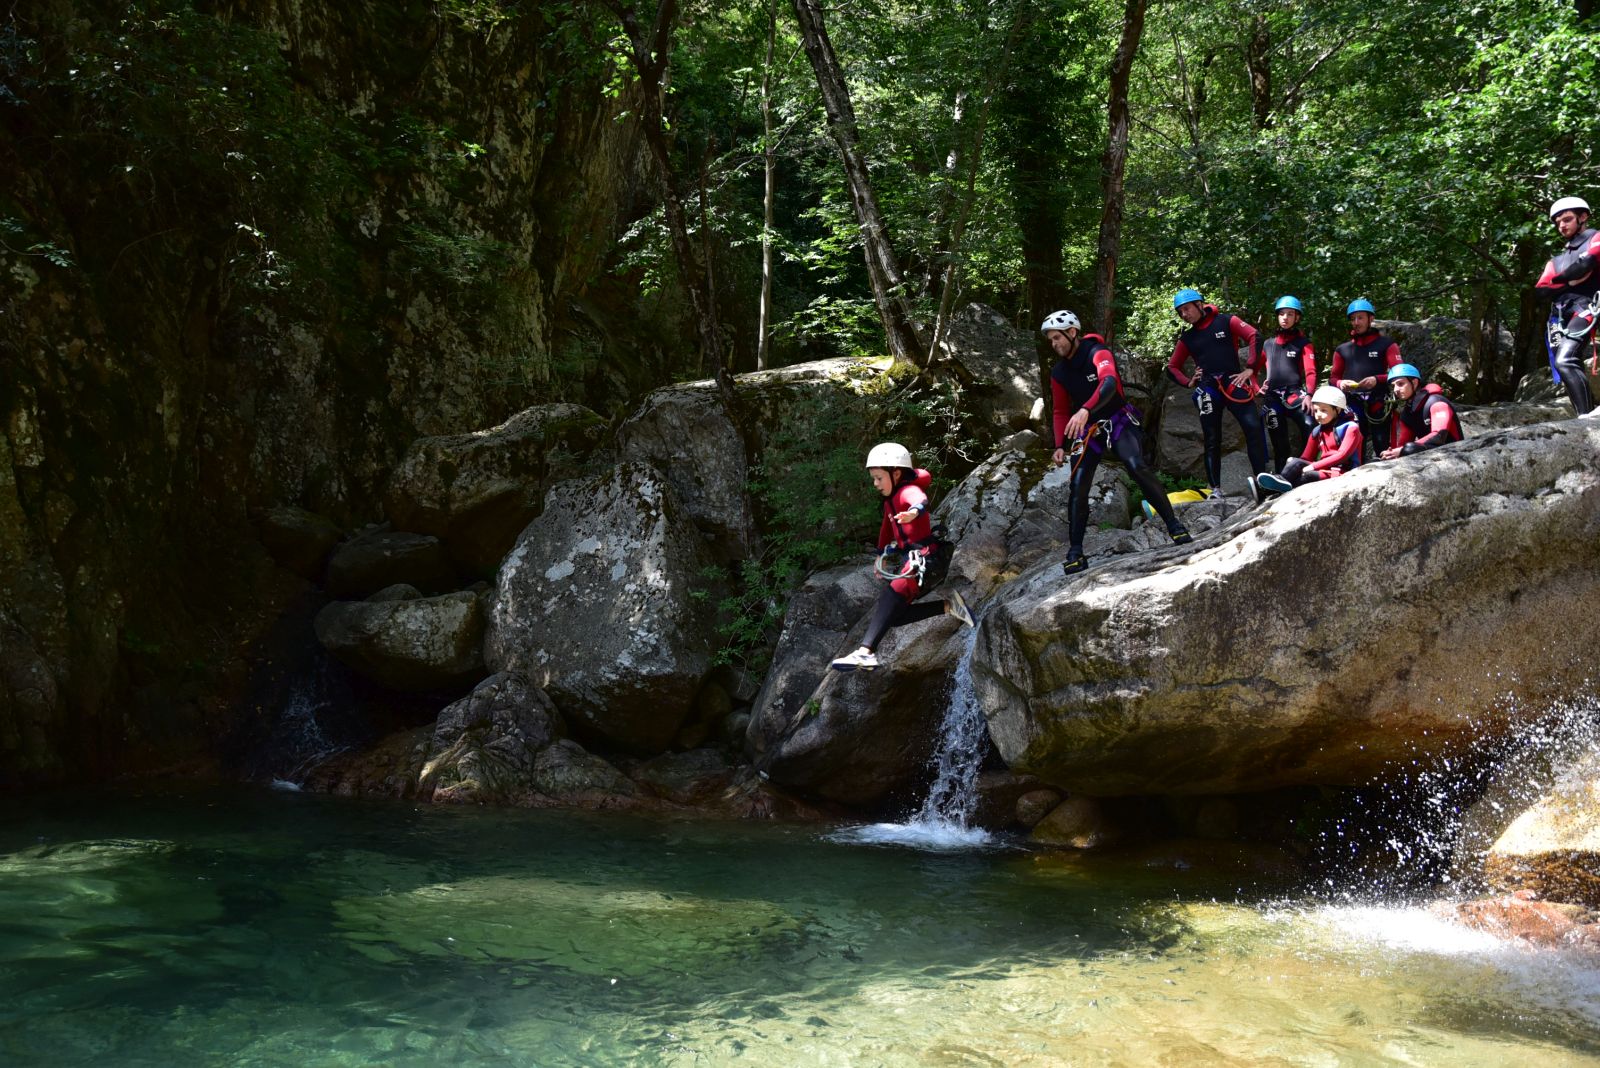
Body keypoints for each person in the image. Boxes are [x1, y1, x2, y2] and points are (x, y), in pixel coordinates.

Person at [1044, 310, 1191, 574]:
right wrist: (1059, 445)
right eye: (1051, 340)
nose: (1055, 344)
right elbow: (1059, 411)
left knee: (1137, 466)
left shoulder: (1098, 353)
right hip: (1088, 429)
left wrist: (1087, 408)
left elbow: (1109, 382)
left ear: (1072, 332)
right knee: (1078, 486)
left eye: (1057, 337)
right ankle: (1075, 551)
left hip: (1117, 419)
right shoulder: (1059, 372)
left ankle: (1174, 525)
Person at [830, 443, 974, 672]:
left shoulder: (906, 492)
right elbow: (886, 531)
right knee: (894, 616)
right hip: (916, 561)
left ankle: (865, 652)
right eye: (874, 479)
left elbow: (920, 499)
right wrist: (881, 556)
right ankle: (949, 606)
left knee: (891, 594)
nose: (875, 483)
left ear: (896, 473)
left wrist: (914, 511)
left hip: (926, 560)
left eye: (879, 478)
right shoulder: (890, 501)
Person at [1165, 288, 1271, 496]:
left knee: (1253, 428)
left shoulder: (1225, 321)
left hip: (1233, 381)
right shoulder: (1188, 337)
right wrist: (1188, 382)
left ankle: (1262, 481)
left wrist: (1250, 368)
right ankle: (1215, 489)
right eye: (1180, 312)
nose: (1184, 315)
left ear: (1199, 304)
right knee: (1212, 438)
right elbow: (1171, 367)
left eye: (1187, 309)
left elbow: (1254, 336)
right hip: (1208, 388)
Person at [1534, 195, 1600, 415]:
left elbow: (1588, 262)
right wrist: (1567, 280)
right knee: (1567, 365)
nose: (1561, 225)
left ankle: (1585, 417)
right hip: (1560, 315)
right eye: (1558, 222)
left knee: (1565, 360)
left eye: (1567, 219)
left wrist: (1557, 281)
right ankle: (1586, 414)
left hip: (1587, 306)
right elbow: (1541, 291)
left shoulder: (1596, 238)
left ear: (1583, 217)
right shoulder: (1556, 260)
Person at [1252, 386, 1363, 496]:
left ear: (1337, 410)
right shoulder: (1317, 431)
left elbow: (1342, 455)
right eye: (1315, 410)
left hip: (1342, 471)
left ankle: (1266, 490)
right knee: (1294, 462)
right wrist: (1294, 464)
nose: (1318, 414)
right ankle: (1274, 485)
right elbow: (1305, 458)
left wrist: (1313, 466)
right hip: (1323, 469)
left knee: (1307, 476)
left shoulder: (1351, 428)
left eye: (1324, 410)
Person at [1330, 298, 1404, 457]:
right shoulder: (1343, 349)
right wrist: (1341, 383)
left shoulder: (1387, 344)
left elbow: (1399, 373)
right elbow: (1333, 378)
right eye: (1353, 318)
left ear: (1371, 319)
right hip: (1353, 400)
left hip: (1378, 399)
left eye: (1360, 317)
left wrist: (1377, 379)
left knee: (1381, 442)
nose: (1356, 322)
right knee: (1355, 441)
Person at [1260, 295, 1318, 473]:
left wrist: (1309, 394)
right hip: (1272, 398)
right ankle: (1280, 477)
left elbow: (1311, 371)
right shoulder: (1268, 344)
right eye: (1282, 314)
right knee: (1279, 440)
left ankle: (1312, 467)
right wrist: (1256, 388)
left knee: (1310, 424)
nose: (1285, 317)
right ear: (1277, 316)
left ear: (1297, 317)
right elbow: (1253, 369)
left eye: (1290, 314)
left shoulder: (1303, 343)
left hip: (1295, 394)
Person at [1378, 363, 1463, 458]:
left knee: (1408, 448)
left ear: (1414, 382)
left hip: (1456, 454)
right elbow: (1403, 444)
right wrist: (1393, 453)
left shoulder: (1436, 402)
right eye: (1393, 386)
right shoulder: (1407, 413)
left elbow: (1439, 436)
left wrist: (1402, 450)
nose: (1396, 389)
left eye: (1400, 384)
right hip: (1431, 456)